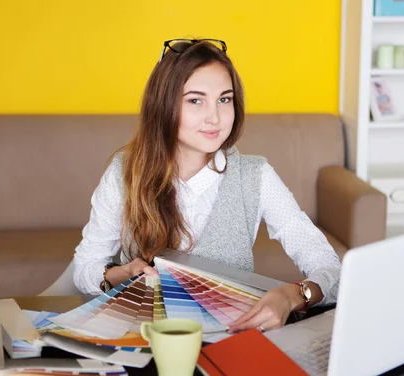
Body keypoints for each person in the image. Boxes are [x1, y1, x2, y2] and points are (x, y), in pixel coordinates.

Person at [72, 38, 341, 333]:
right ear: (163, 105)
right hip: (141, 339)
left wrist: (295, 295)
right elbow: (85, 267)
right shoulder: (124, 173)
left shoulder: (256, 176)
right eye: (195, 100)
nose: (214, 117)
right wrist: (119, 274)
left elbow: (331, 269)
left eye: (224, 99)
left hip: (230, 341)